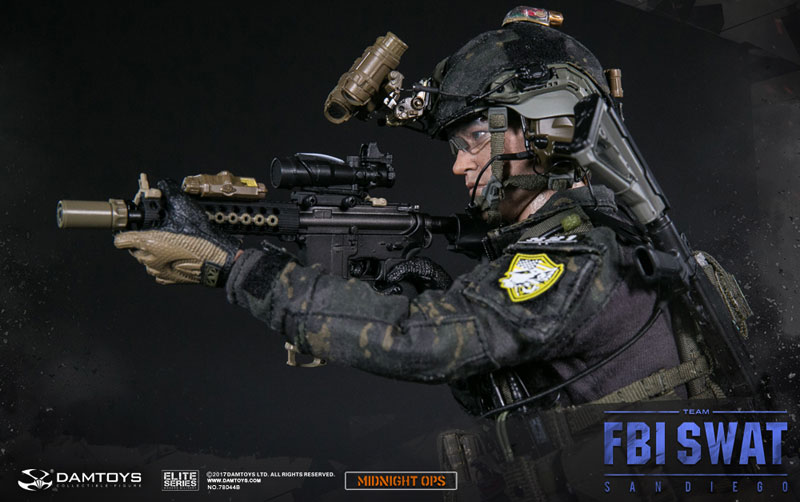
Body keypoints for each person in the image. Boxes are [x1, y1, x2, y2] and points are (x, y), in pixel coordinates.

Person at [112, 6, 746, 499]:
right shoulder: (594, 235)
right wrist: (424, 285)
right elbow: (503, 380)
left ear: (545, 131)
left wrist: (233, 267)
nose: (460, 165)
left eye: (474, 140)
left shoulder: (577, 255)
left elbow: (423, 343)